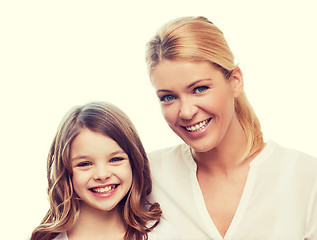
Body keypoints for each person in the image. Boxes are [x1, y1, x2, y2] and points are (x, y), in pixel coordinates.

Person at [145, 16, 317, 240]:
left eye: (199, 89)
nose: (186, 112)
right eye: (168, 97)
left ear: (235, 81)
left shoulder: (304, 176)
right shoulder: (147, 175)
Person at [30, 102, 179, 240]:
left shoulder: (162, 235)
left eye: (115, 160)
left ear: (134, 162)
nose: (102, 175)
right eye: (85, 164)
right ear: (66, 171)